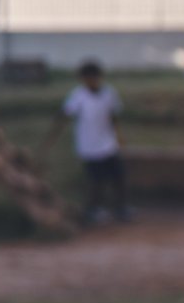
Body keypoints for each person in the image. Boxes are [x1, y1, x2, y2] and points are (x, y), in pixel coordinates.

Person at [44, 59, 130, 224]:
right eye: (87, 78)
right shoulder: (78, 96)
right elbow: (65, 114)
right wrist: (52, 136)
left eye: (94, 77)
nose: (91, 81)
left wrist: (119, 137)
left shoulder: (109, 93)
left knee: (118, 177)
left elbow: (114, 116)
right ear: (82, 79)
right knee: (95, 180)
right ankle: (93, 210)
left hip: (108, 143)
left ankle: (121, 208)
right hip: (89, 146)